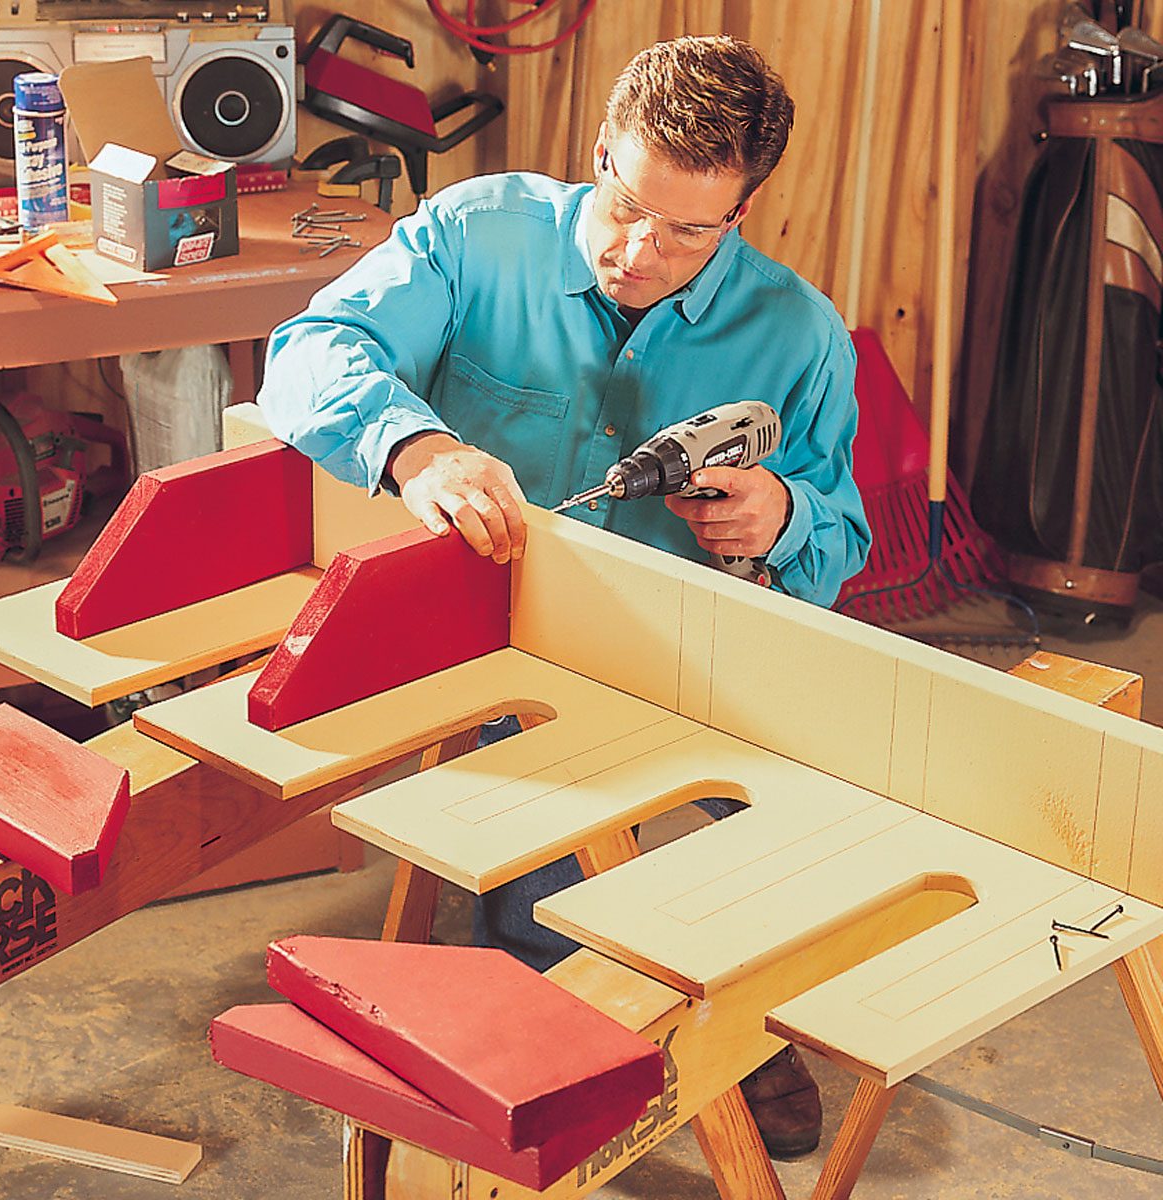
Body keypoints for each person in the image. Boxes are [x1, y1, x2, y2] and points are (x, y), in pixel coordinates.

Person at [259, 35, 870, 1160]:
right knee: (547, 905)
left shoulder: (800, 334)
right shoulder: (476, 232)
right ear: (599, 152)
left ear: (743, 211)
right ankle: (578, 1021)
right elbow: (308, 352)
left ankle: (748, 1016)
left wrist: (785, 520)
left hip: (697, 658)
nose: (643, 251)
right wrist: (419, 447)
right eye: (628, 204)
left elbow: (845, 541)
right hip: (499, 647)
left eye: (692, 229)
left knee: (818, 841)